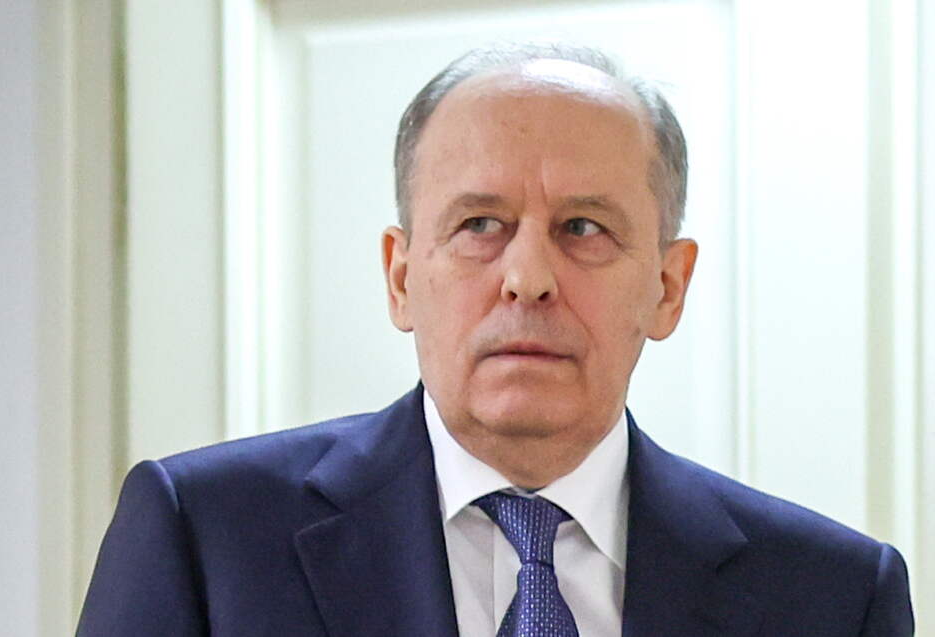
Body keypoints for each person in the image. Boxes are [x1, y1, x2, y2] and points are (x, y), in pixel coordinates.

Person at [77, 43, 914, 636]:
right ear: (401, 277)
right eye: (480, 224)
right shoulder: (206, 538)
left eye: (583, 227)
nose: (528, 276)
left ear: (668, 285)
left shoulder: (834, 597)